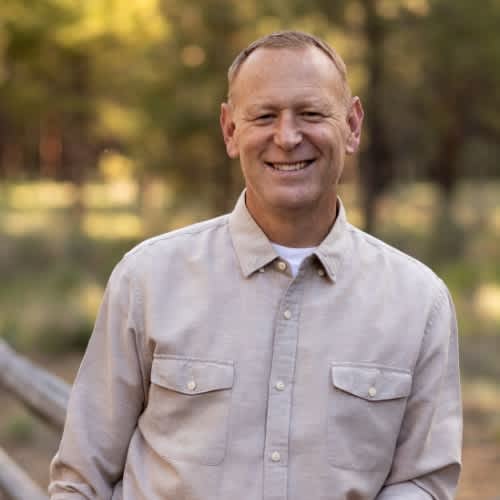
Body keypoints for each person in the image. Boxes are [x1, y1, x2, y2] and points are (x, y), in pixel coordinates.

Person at [49, 31, 462, 499]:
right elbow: (81, 478)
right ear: (230, 131)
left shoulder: (418, 301)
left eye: (311, 113)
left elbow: (422, 483)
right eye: (264, 116)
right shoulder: (147, 279)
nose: (287, 137)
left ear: (352, 125)